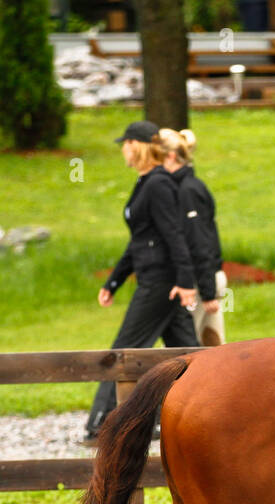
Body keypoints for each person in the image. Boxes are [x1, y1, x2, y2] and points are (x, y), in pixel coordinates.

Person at [83, 120, 199, 443]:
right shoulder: (146, 182)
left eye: (125, 143)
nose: (122, 149)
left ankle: (102, 423)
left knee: (124, 351)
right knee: (188, 353)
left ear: (136, 145)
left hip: (161, 284)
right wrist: (114, 281)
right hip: (156, 279)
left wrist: (185, 281)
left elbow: (175, 235)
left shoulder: (159, 185)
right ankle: (207, 412)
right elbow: (139, 240)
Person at [161, 128, 228, 347]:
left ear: (171, 156)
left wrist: (207, 291)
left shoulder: (187, 191)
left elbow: (199, 240)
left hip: (199, 280)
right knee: (211, 346)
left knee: (189, 348)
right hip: (205, 276)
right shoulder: (188, 186)